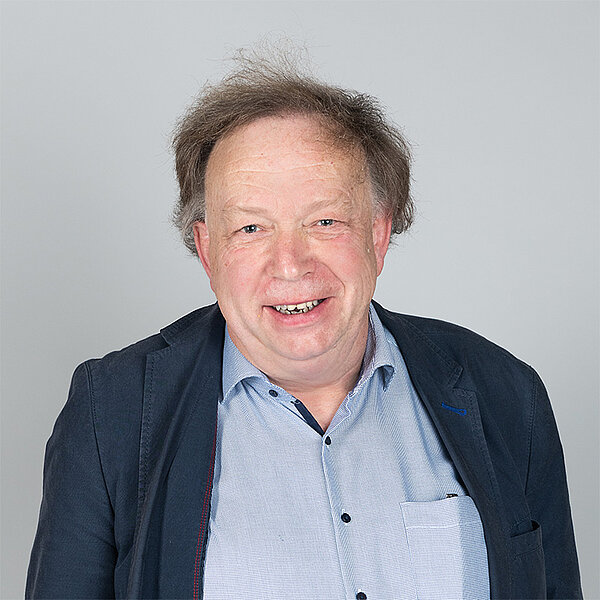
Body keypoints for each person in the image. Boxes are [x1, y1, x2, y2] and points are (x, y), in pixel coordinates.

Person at [26, 56, 582, 600]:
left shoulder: (505, 394)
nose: (290, 265)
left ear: (378, 235)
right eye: (251, 228)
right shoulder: (112, 414)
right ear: (207, 250)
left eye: (324, 221)